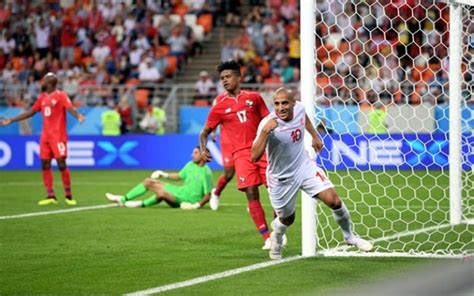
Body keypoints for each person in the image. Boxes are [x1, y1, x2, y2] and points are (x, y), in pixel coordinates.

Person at [251, 87, 373, 260]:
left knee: (334, 201)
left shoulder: (300, 108)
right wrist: (265, 132)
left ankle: (350, 237)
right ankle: (276, 237)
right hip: (281, 178)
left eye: (285, 103)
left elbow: (305, 120)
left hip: (304, 166)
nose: (280, 108)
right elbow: (254, 156)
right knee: (287, 219)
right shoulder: (267, 124)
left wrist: (315, 136)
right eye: (276, 104)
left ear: (293, 103)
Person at [199, 60, 273, 249]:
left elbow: (268, 120)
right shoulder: (219, 106)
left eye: (228, 76)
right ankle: (267, 237)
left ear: (239, 78)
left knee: (275, 190)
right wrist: (203, 148)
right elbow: (205, 132)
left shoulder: (254, 98)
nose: (224, 81)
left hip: (261, 148)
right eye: (222, 78)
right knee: (250, 191)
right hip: (240, 153)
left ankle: (278, 228)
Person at [0, 72, 85, 205]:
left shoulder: (61, 95)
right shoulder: (42, 98)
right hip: (45, 136)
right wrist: (11, 120)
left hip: (58, 136)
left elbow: (70, 108)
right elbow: (30, 113)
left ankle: (68, 195)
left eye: (44, 80)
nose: (42, 82)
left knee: (61, 163)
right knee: (45, 163)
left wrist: (78, 116)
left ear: (50, 83)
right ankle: (51, 195)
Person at [105, 146, 213, 209]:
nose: (192, 155)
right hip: (179, 191)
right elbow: (179, 176)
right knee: (148, 182)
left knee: (162, 194)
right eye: (193, 152)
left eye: (195, 153)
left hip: (186, 201)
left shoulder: (206, 172)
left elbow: (208, 195)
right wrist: (164, 174)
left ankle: (141, 204)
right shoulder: (190, 165)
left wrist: (196, 206)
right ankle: (122, 199)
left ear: (203, 155)